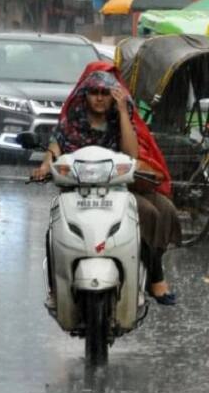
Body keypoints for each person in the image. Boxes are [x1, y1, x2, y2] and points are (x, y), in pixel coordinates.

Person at [32, 62, 180, 306]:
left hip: (116, 190)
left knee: (158, 211)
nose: (99, 98)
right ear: (85, 95)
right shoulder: (71, 123)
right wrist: (44, 167)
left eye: (105, 93)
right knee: (54, 232)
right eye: (94, 93)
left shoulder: (119, 121)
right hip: (77, 192)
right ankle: (56, 288)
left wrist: (123, 111)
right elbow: (54, 150)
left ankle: (152, 274)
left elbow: (131, 154)